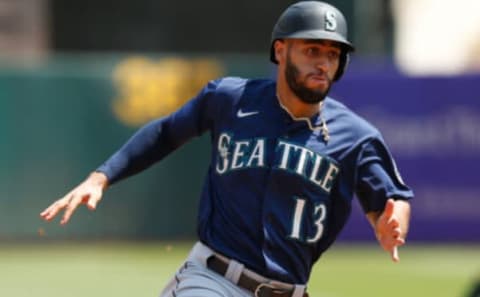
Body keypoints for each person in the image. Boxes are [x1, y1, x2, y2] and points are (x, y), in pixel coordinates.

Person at [40, 1, 412, 297]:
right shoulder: (231, 99)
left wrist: (390, 225)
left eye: (332, 53)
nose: (322, 62)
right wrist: (101, 176)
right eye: (311, 49)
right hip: (214, 279)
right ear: (281, 51)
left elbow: (391, 202)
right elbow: (166, 132)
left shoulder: (357, 136)